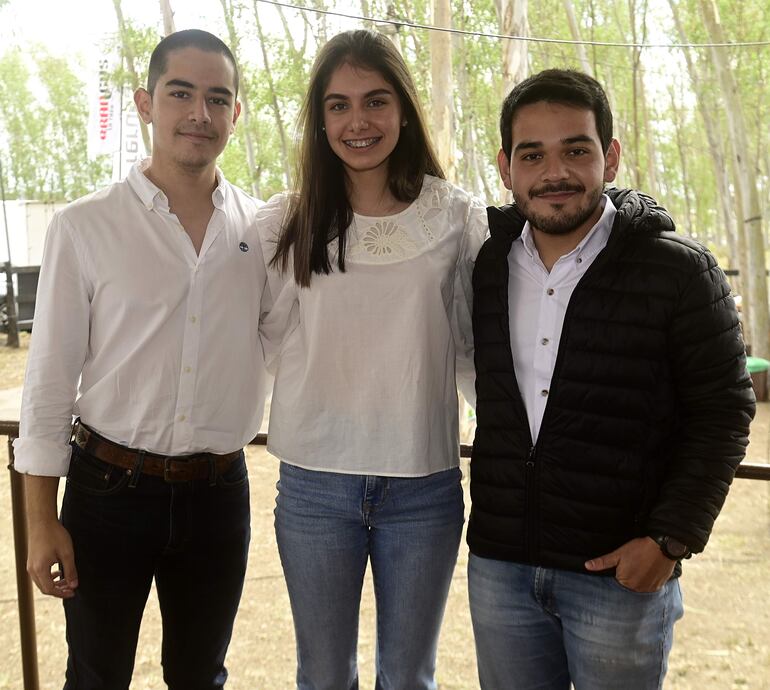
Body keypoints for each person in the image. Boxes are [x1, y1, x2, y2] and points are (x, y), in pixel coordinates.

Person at [467, 68, 756, 690]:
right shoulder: (487, 265)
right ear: (505, 167)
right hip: (502, 568)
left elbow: (724, 411)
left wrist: (670, 538)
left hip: (618, 574)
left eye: (577, 149)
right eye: (532, 154)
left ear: (611, 156)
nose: (555, 172)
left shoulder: (677, 269)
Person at [15, 29, 270, 689]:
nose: (199, 114)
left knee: (200, 677)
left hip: (220, 495)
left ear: (236, 114)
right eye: (180, 93)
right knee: (96, 678)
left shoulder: (262, 231)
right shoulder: (85, 226)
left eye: (218, 99)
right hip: (107, 492)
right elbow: (46, 384)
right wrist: (41, 520)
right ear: (145, 103)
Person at [258, 29, 487, 690]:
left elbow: (472, 350)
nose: (357, 121)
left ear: (405, 109)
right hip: (313, 484)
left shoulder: (458, 220)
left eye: (375, 100)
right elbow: (264, 339)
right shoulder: (286, 222)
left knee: (409, 679)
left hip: (424, 483)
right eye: (338, 105)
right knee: (323, 676)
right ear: (319, 118)